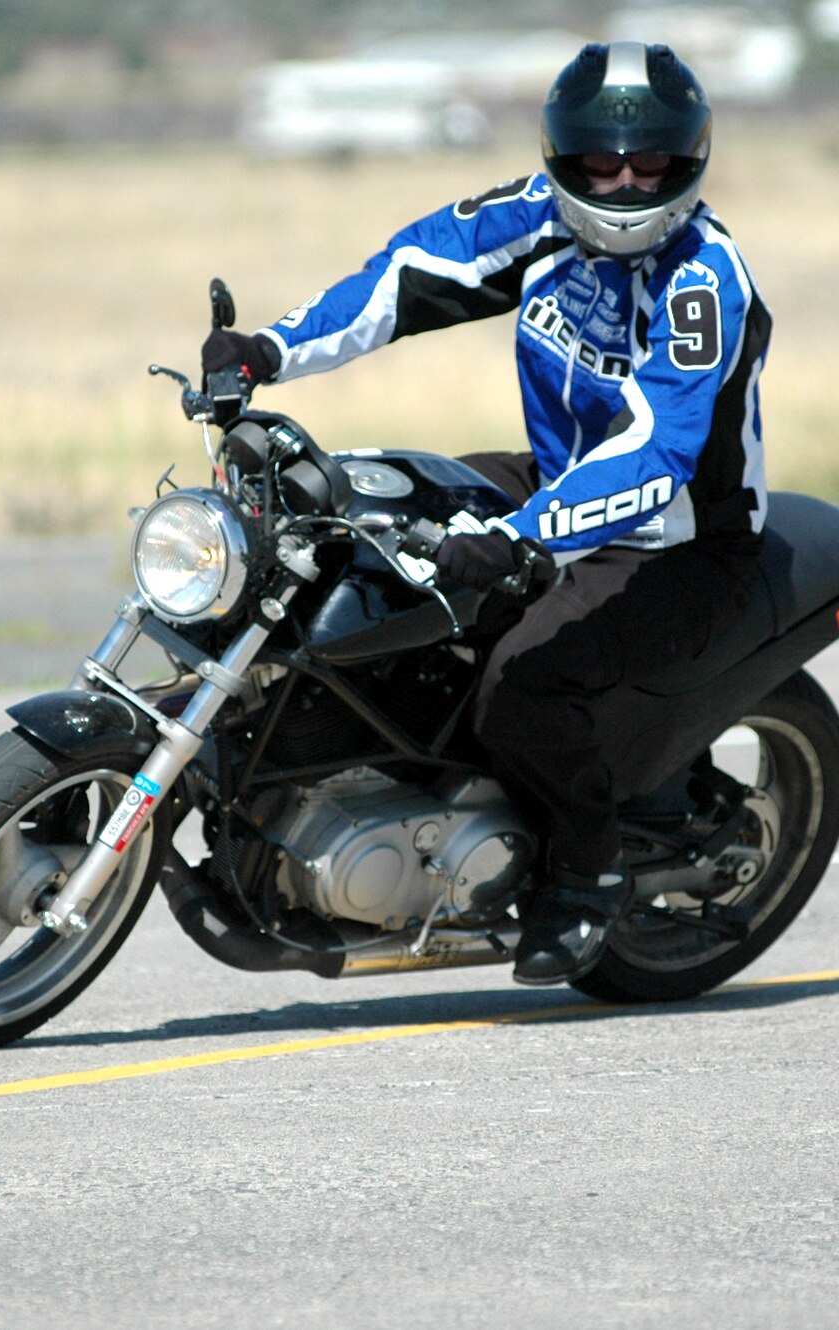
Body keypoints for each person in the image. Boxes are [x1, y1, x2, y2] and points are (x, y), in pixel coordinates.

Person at [201, 41, 771, 986]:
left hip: (680, 539)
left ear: (689, 159)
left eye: (649, 161)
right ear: (563, 158)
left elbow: (658, 452)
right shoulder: (539, 219)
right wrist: (267, 349)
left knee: (522, 686)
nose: (624, 179)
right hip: (554, 477)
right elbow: (406, 274)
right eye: (600, 159)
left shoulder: (705, 280)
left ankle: (585, 872)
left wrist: (516, 539)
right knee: (364, 521)